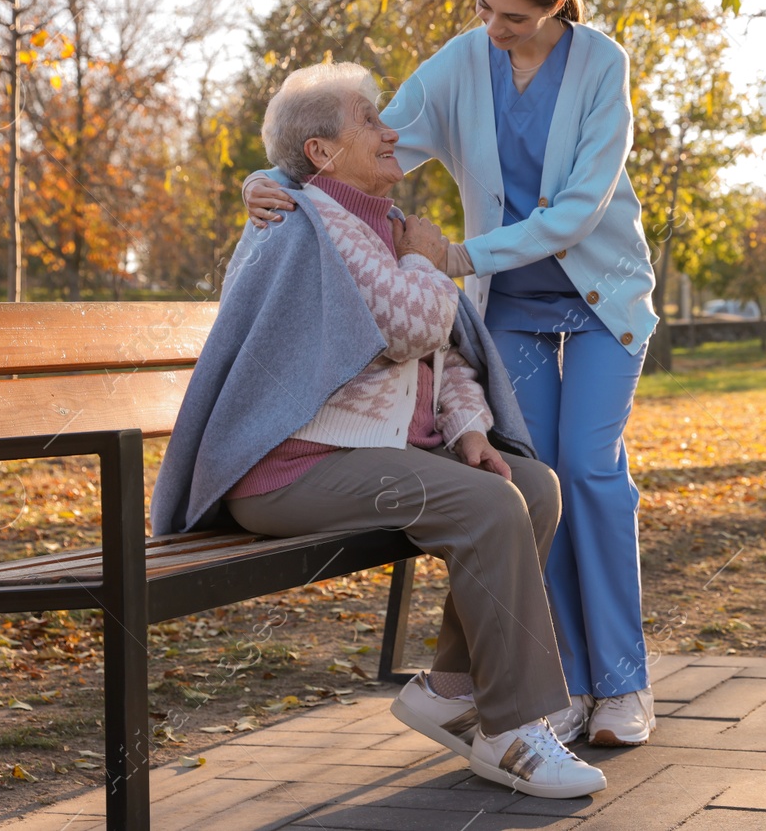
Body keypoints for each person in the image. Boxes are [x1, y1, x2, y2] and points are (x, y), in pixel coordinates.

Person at [241, 0, 659, 747]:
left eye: (512, 17)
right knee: (538, 476)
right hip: (514, 307)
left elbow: (578, 209)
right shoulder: (464, 62)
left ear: (557, 6)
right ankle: (568, 684)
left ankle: (623, 684)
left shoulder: (604, 65)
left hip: (601, 298)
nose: (493, 26)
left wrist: (460, 254)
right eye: (485, 5)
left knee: (591, 468)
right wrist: (268, 176)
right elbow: (364, 141)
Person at [151, 62, 605, 799]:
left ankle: (453, 688)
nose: (391, 130)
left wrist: (468, 431)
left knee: (532, 485)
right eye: (368, 119)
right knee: (490, 507)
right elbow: (409, 324)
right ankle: (515, 729)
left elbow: (446, 348)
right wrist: (428, 261)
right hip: (290, 467)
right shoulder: (305, 221)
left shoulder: (382, 224)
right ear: (324, 153)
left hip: (373, 455)